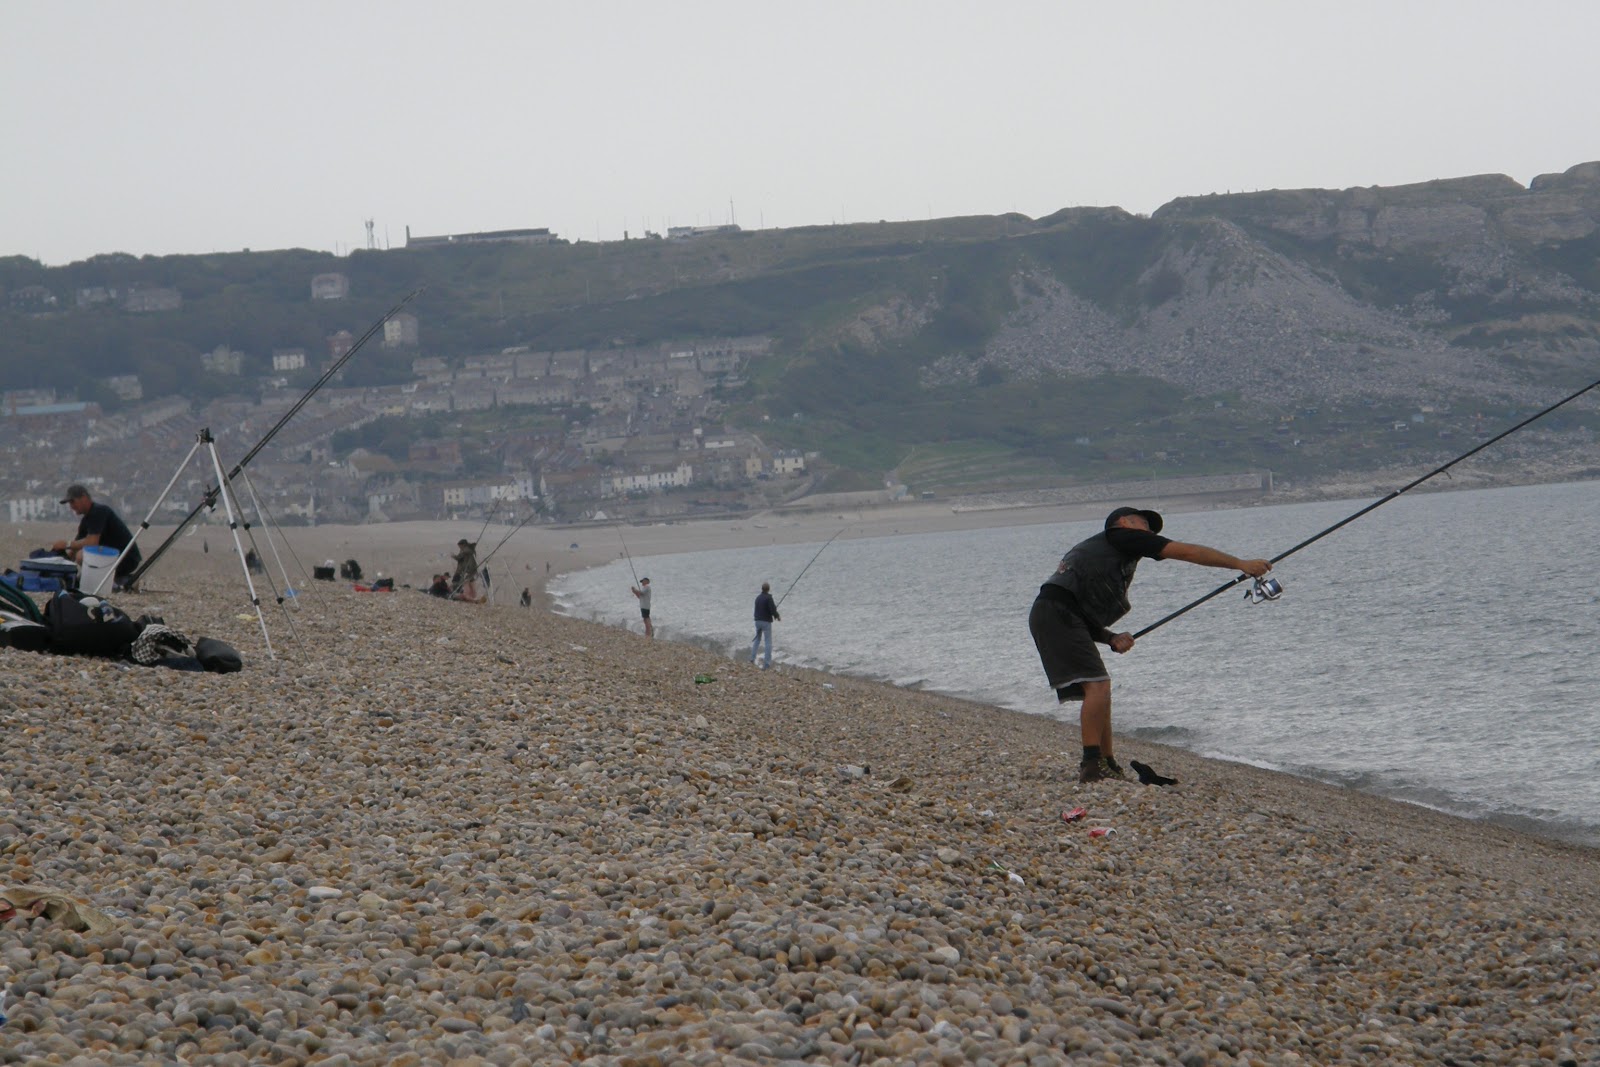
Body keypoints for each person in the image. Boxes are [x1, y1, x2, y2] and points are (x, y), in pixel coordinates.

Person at [1029, 506, 1271, 784]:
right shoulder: (1120, 535)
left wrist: (1110, 637)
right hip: (1056, 614)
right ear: (1124, 522)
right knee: (1098, 686)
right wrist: (1241, 564)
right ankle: (1092, 765)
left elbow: (1072, 604)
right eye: (1144, 524)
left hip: (1054, 614)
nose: (1149, 532)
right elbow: (1187, 552)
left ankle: (1107, 763)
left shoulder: (1103, 551)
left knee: (1099, 688)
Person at [52, 484, 143, 592]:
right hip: (111, 558)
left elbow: (92, 542)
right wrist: (59, 563)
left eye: (73, 502)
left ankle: (114, 585)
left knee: (82, 555)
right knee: (80, 572)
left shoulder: (99, 511)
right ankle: (120, 580)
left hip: (126, 557)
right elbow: (74, 550)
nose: (71, 506)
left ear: (84, 497)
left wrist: (66, 544)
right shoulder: (87, 520)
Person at [750, 581, 780, 668]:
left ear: (762, 589)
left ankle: (752, 658)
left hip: (757, 621)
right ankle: (766, 663)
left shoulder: (758, 598)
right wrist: (777, 616)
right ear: (768, 589)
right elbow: (772, 610)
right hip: (766, 622)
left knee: (757, 640)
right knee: (768, 642)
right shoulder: (769, 598)